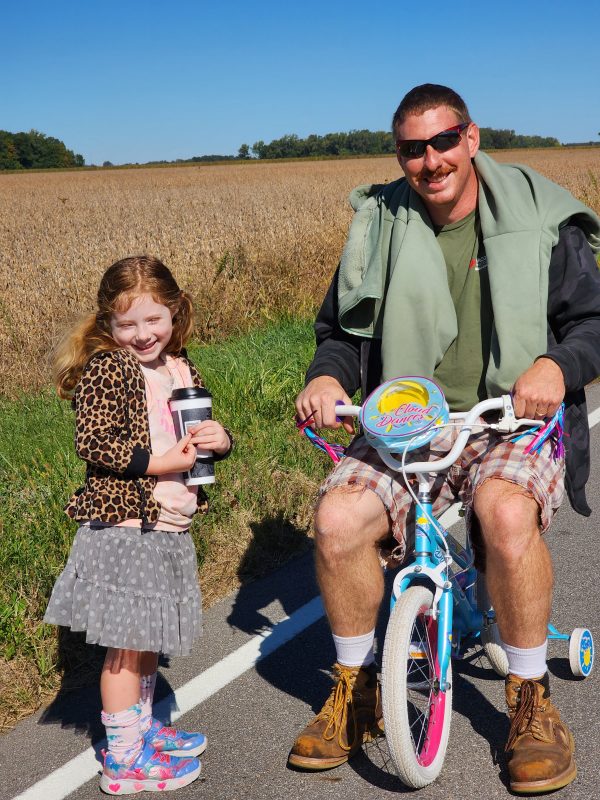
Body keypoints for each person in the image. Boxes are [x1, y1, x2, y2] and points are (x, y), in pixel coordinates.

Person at [289, 84, 600, 793]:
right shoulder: (378, 224)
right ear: (399, 154)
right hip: (407, 418)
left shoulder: (543, 216)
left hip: (507, 420)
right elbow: (341, 332)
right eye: (412, 149)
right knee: (337, 520)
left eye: (442, 141)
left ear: (471, 137)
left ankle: (529, 701)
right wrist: (325, 379)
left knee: (505, 511)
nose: (429, 161)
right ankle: (356, 692)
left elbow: (593, 322)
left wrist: (556, 363)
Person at [45, 255, 233, 795]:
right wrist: (162, 463)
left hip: (167, 523)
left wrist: (219, 443)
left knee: (146, 635)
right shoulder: (110, 367)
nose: (141, 334)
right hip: (126, 524)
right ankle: (124, 760)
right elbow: (97, 443)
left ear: (175, 313)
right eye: (126, 324)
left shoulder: (178, 366)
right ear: (108, 324)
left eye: (153, 320)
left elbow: (193, 440)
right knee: (126, 646)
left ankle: (143, 731)